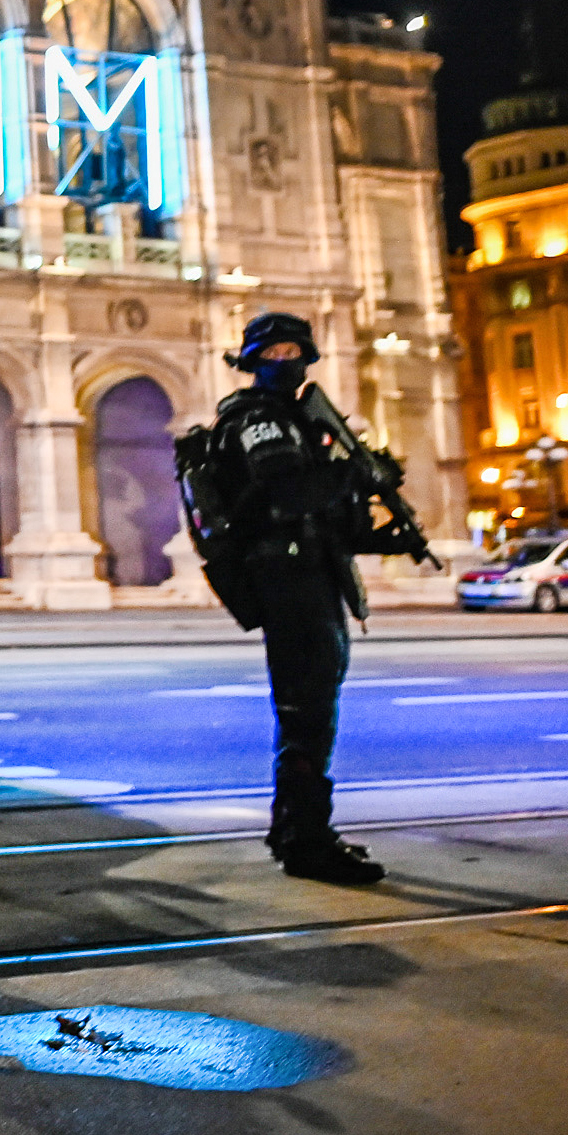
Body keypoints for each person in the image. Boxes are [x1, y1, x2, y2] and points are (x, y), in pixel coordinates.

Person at [194, 311, 419, 885]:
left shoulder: (299, 420)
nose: (283, 362)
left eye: (292, 351)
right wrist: (356, 472)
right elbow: (289, 494)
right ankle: (307, 841)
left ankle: (296, 828)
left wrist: (385, 534)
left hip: (313, 577)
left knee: (314, 711)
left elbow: (323, 519)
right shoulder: (257, 421)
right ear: (251, 362)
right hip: (285, 582)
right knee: (306, 716)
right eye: (271, 354)